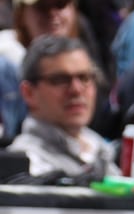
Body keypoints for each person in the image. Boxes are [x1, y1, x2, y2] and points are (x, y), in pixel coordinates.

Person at [10, 34, 116, 180]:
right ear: (28, 93)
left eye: (84, 78)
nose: (76, 90)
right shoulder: (26, 163)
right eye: (60, 80)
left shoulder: (103, 151)